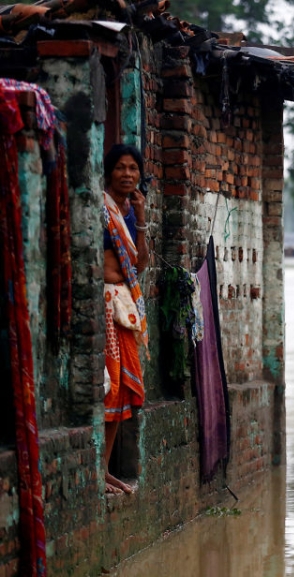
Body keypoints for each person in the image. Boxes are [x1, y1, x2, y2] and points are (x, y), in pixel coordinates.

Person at [101, 144, 149, 494]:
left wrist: (143, 220)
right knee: (108, 387)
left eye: (133, 168)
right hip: (104, 304)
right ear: (109, 172)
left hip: (124, 307)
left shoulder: (130, 213)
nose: (128, 174)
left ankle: (103, 469)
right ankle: (97, 469)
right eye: (121, 167)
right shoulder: (100, 209)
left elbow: (140, 265)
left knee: (122, 393)